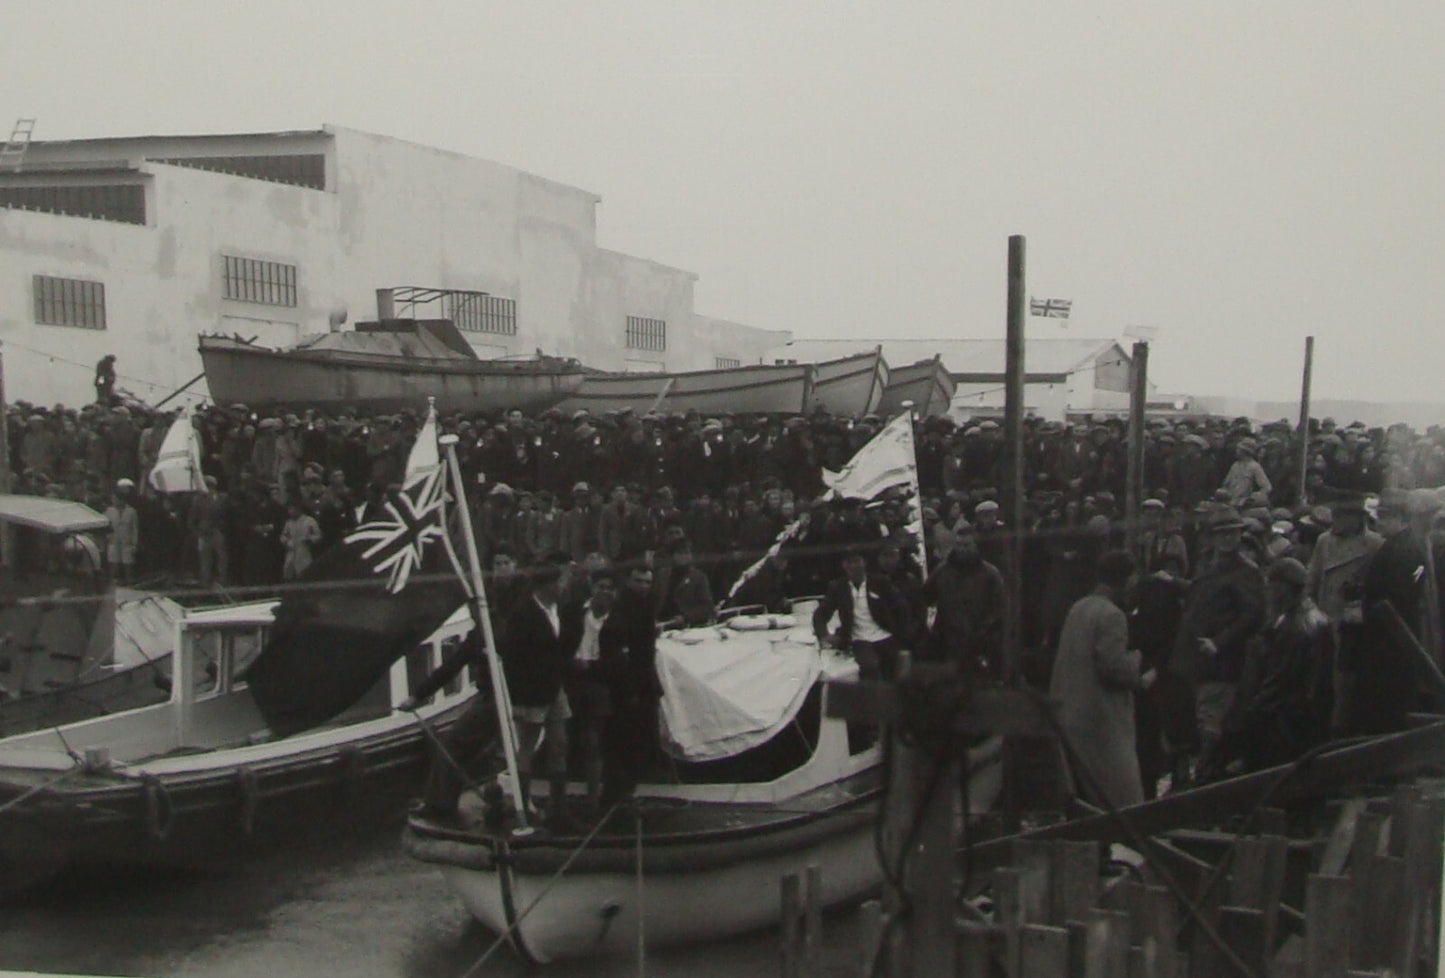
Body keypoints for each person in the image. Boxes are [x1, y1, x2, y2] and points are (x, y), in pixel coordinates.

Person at [1165, 507, 1266, 785]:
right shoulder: (1207, 563)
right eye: (1221, 534)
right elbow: (1201, 597)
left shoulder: (1247, 571)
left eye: (1232, 533)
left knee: (1211, 726)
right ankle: (1185, 782)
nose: (1226, 539)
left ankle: (1204, 786)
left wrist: (1219, 642)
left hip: (1219, 663)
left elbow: (1253, 615)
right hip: (1191, 659)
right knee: (1186, 725)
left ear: (1240, 535)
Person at [1049, 550, 1153, 809]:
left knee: (1083, 796)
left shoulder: (1079, 606)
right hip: (1099, 720)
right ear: (1126, 580)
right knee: (1119, 797)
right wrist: (1137, 660)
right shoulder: (1112, 615)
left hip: (1069, 713)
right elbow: (1114, 669)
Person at [1223, 557, 1335, 772]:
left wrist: (1243, 721)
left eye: (1271, 585)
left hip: (1291, 726)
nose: (1268, 592)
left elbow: (1276, 686)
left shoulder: (1294, 629)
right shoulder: (1317, 618)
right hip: (1314, 720)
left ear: (1282, 588)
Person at [498, 552, 579, 822]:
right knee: (528, 745)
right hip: (532, 691)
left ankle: (558, 805)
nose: (563, 587)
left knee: (560, 743)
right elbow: (513, 658)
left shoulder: (559, 610)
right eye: (559, 583)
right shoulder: (524, 614)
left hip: (554, 687)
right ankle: (524, 802)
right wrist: (522, 693)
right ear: (546, 586)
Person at [1305, 495, 1382, 734]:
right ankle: (1312, 727)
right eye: (1334, 515)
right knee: (1315, 677)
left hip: (1352, 623)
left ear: (1357, 519)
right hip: (1323, 619)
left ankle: (1339, 730)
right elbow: (1312, 581)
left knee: (1345, 680)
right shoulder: (1324, 542)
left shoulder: (1375, 545)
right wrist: (1312, 609)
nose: (1334, 521)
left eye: (1340, 517)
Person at [598, 562, 662, 807]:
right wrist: (630, 688)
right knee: (623, 743)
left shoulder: (644, 606)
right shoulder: (622, 610)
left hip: (640, 683)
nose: (644, 587)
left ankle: (626, 792)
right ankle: (617, 797)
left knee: (634, 743)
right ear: (628, 581)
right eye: (639, 581)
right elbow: (619, 653)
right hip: (627, 688)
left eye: (647, 582)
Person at [812, 544, 912, 682]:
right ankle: (872, 699)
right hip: (859, 639)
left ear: (864, 562)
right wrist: (824, 635)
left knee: (897, 671)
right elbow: (820, 614)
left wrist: (902, 637)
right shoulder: (838, 587)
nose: (853, 566)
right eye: (848, 562)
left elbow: (902, 609)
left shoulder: (881, 583)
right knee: (870, 667)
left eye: (856, 561)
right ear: (843, 565)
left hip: (885, 635)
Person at [921, 524, 1004, 679]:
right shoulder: (942, 571)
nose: (962, 549)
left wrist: (983, 634)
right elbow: (925, 598)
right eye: (958, 545)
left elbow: (998, 609)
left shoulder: (990, 574)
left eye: (967, 545)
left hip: (978, 644)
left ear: (976, 546)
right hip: (946, 642)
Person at [565, 570, 617, 813]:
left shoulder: (617, 620)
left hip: (599, 682)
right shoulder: (575, 612)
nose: (604, 592)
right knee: (564, 739)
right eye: (600, 586)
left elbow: (618, 658)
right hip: (572, 681)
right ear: (592, 588)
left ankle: (593, 798)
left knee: (593, 739)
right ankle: (561, 797)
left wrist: (593, 666)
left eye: (609, 587)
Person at [104, 478, 140, 583]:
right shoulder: (109, 511)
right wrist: (107, 538)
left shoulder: (131, 511)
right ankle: (113, 583)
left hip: (127, 542)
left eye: (115, 498)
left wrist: (135, 544)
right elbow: (105, 525)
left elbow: (134, 529)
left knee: (128, 565)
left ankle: (129, 583)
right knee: (113, 564)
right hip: (113, 541)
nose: (113, 500)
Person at [279, 501, 321, 581]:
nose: (291, 511)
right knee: (288, 575)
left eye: (293, 509)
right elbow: (283, 536)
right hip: (291, 552)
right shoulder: (288, 523)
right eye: (289, 509)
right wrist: (287, 541)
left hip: (305, 551)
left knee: (305, 573)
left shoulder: (309, 520)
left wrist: (309, 539)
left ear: (299, 509)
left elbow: (318, 535)